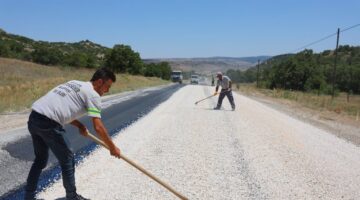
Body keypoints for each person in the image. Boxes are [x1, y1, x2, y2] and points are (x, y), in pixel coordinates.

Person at [25, 68, 121, 200]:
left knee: (40, 160)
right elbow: (98, 127)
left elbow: (62, 108)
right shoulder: (93, 94)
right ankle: (72, 197)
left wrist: (80, 125)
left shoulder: (74, 83)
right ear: (99, 82)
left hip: (34, 118)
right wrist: (112, 147)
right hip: (49, 123)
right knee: (68, 159)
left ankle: (28, 197)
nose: (108, 90)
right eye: (107, 86)